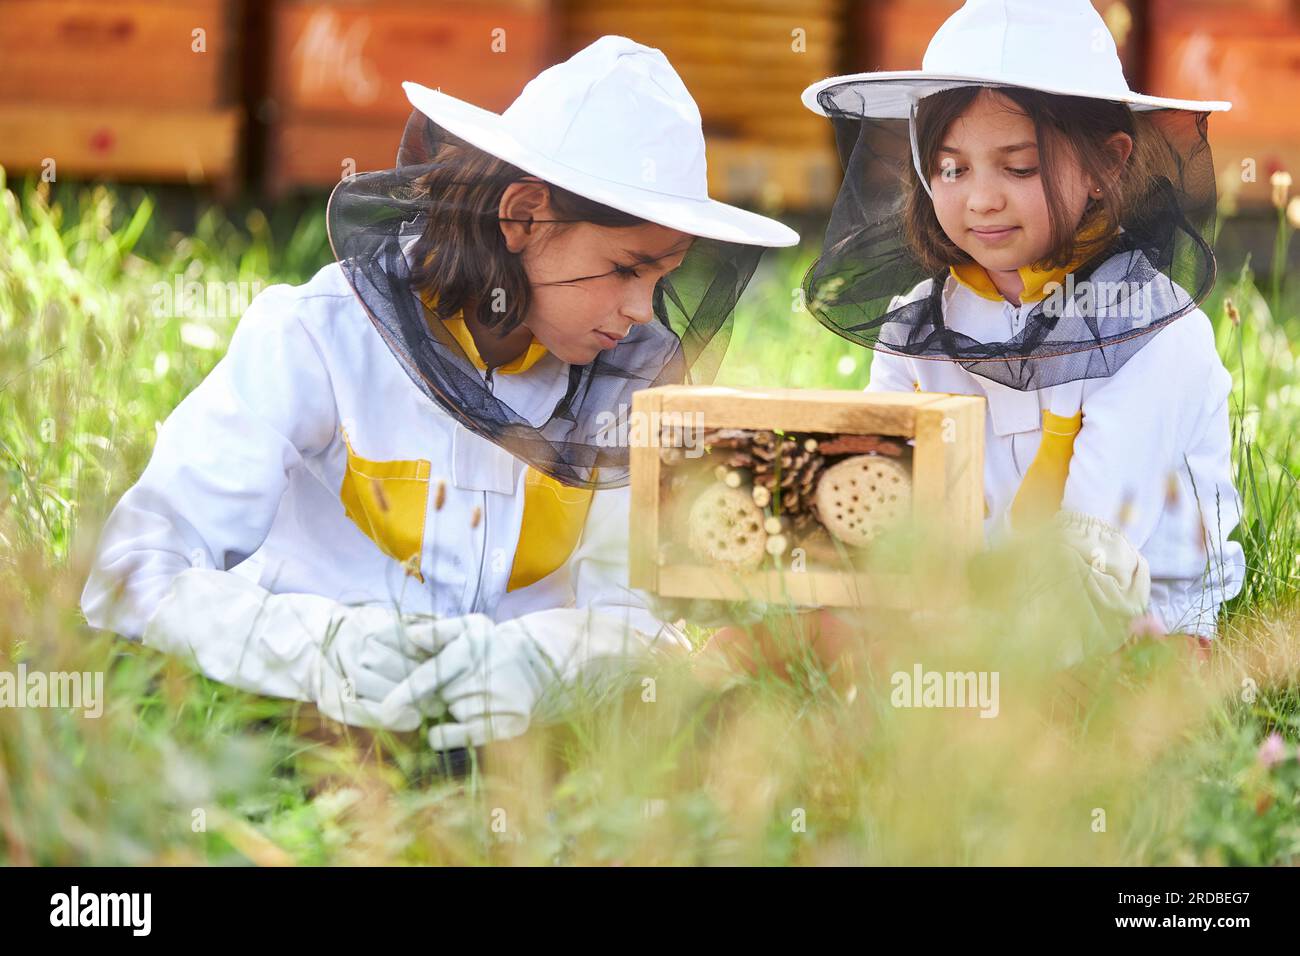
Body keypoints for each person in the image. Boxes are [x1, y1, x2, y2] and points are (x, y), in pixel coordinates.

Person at [79, 35, 799, 749]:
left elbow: (632, 613)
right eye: (623, 269)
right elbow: (134, 570)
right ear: (521, 216)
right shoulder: (317, 337)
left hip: (521, 755)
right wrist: (317, 646)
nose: (643, 310)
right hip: (297, 732)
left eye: (660, 280)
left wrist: (542, 663)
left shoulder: (623, 388)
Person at [795, 0, 1244, 668]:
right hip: (950, 615)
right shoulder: (918, 325)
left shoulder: (1156, 334)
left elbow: (1094, 556)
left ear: (1107, 165)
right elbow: (884, 505)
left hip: (1128, 630)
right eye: (953, 167)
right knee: (795, 636)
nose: (981, 199)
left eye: (1020, 167)